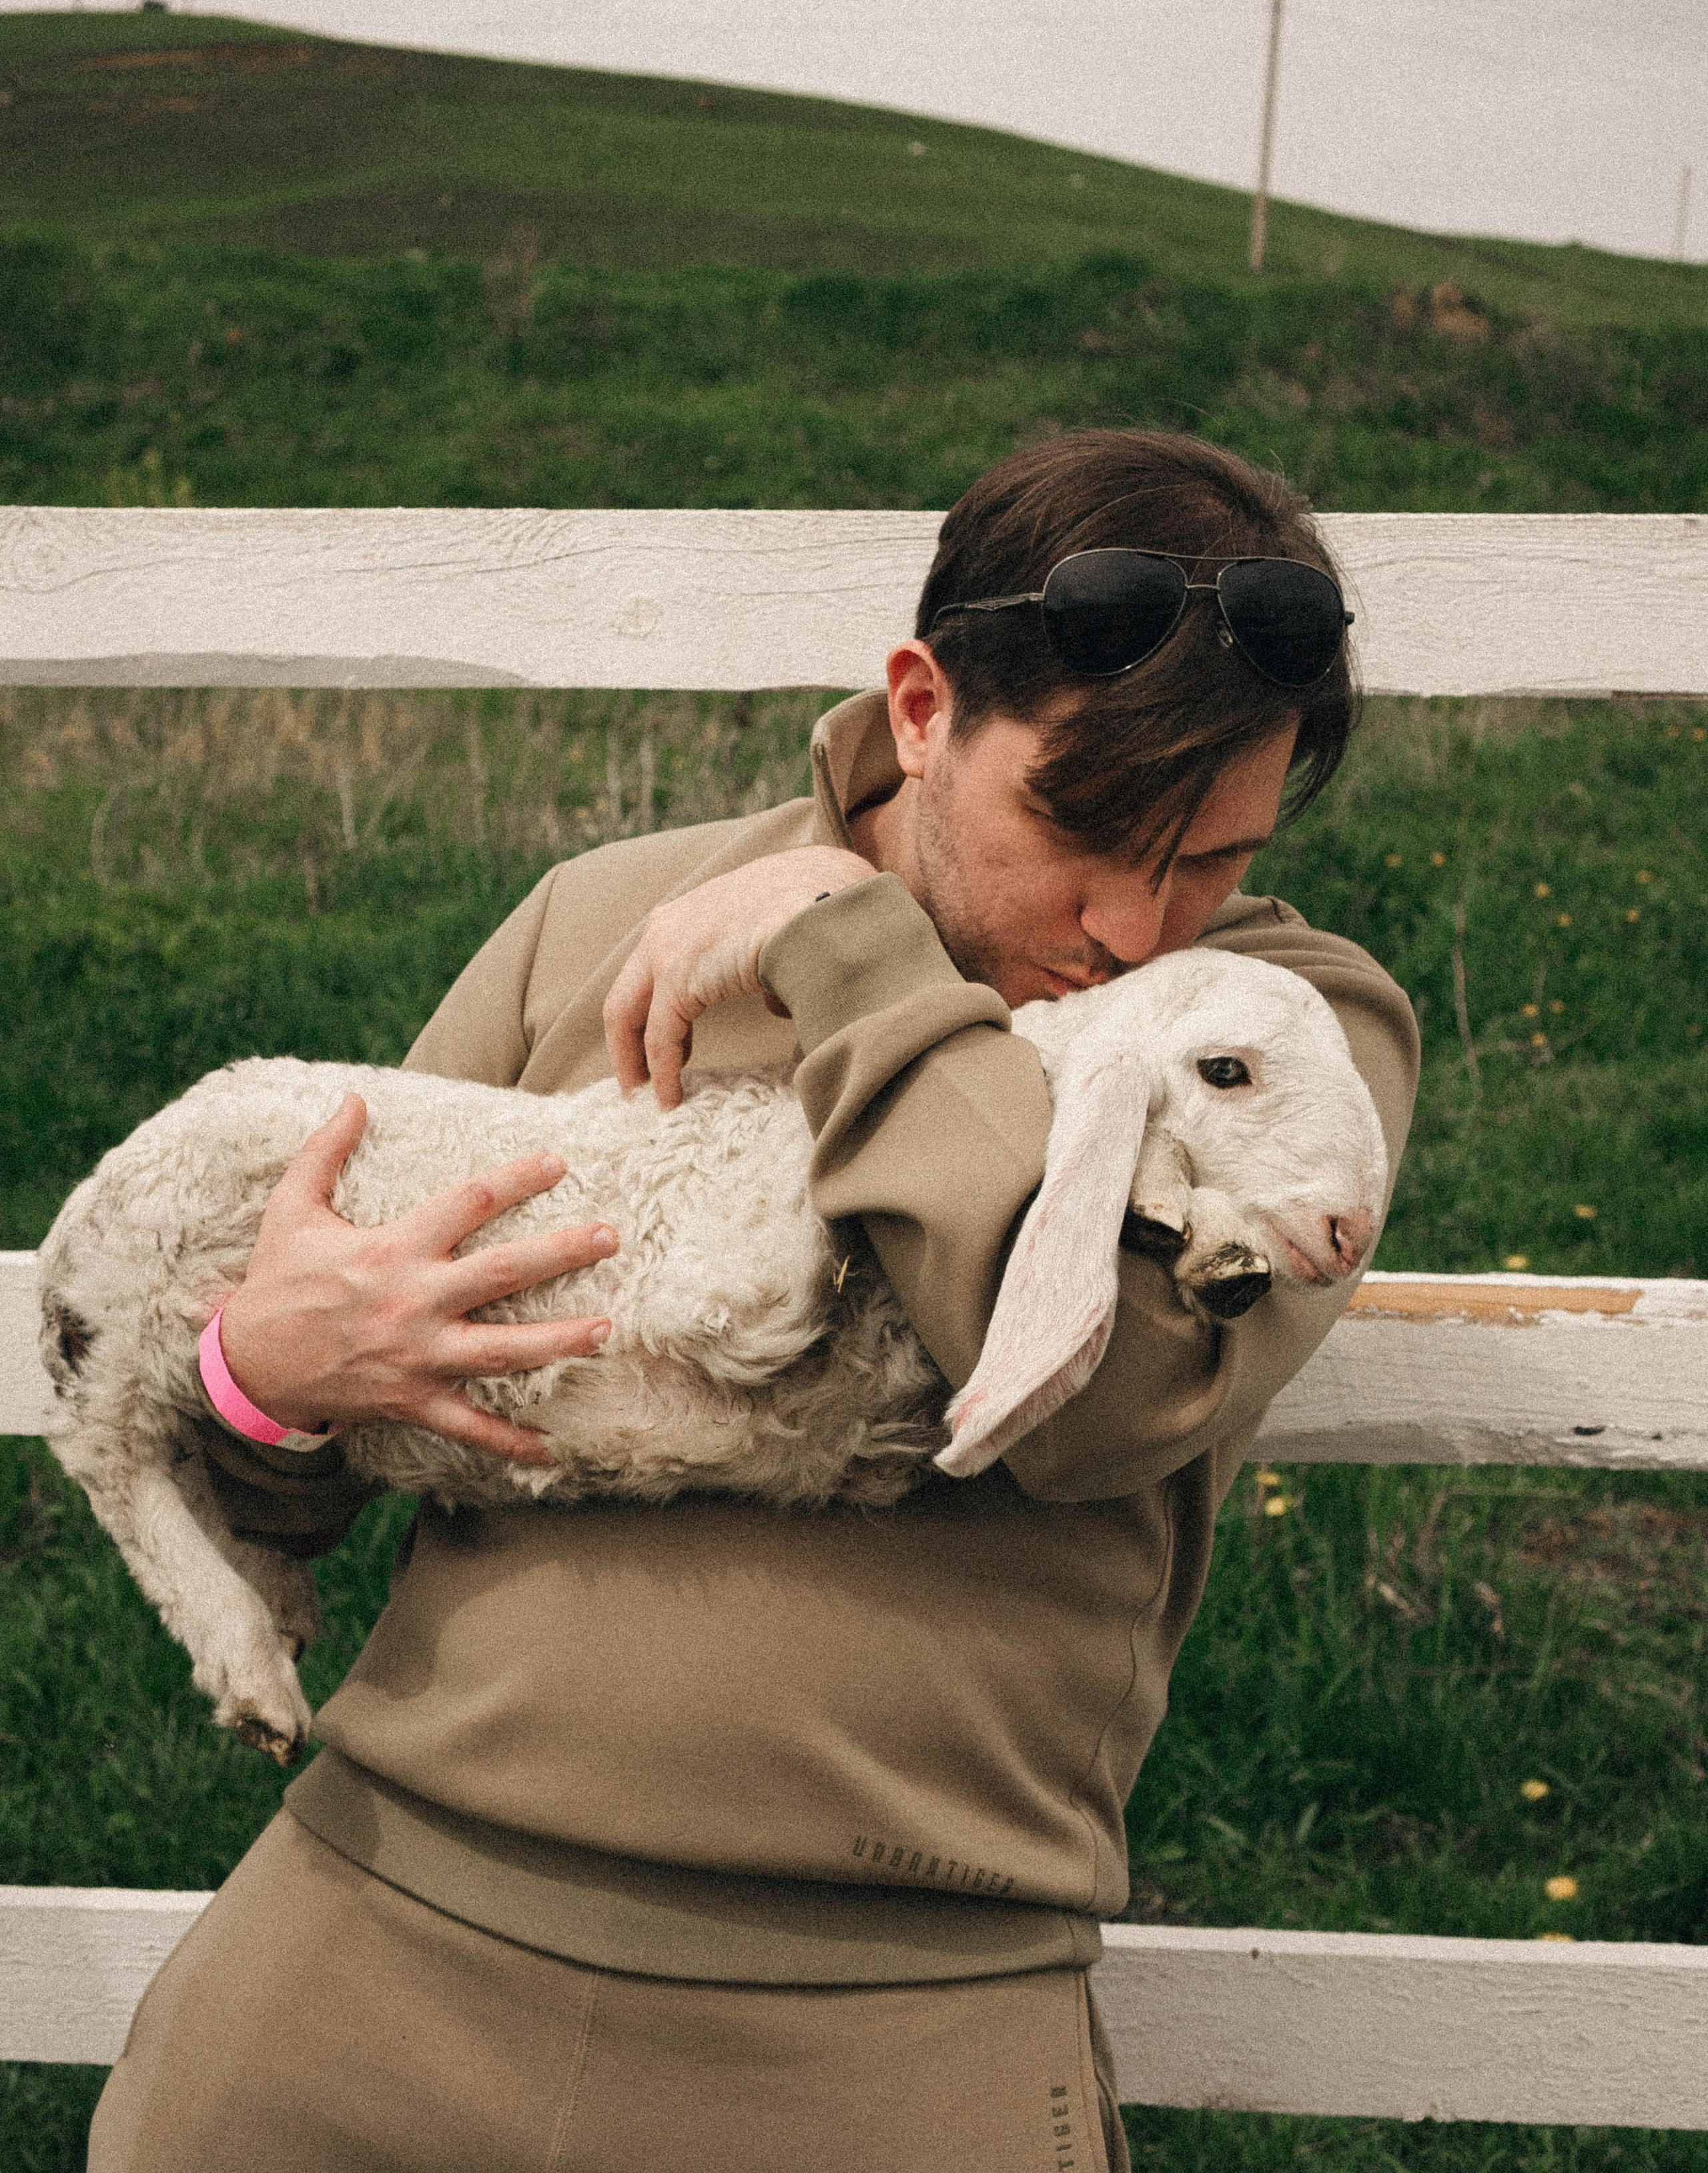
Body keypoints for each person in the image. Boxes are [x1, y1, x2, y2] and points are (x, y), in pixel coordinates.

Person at [89, 430, 1418, 2173]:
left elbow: (1097, 1402)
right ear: (924, 706)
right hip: (371, 1957)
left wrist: (849, 951)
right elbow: (304, 1496)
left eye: (1213, 856)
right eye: (1083, 829)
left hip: (883, 2041)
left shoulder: (1276, 1028)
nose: (1129, 923)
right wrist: (265, 1384)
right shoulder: (600, 924)